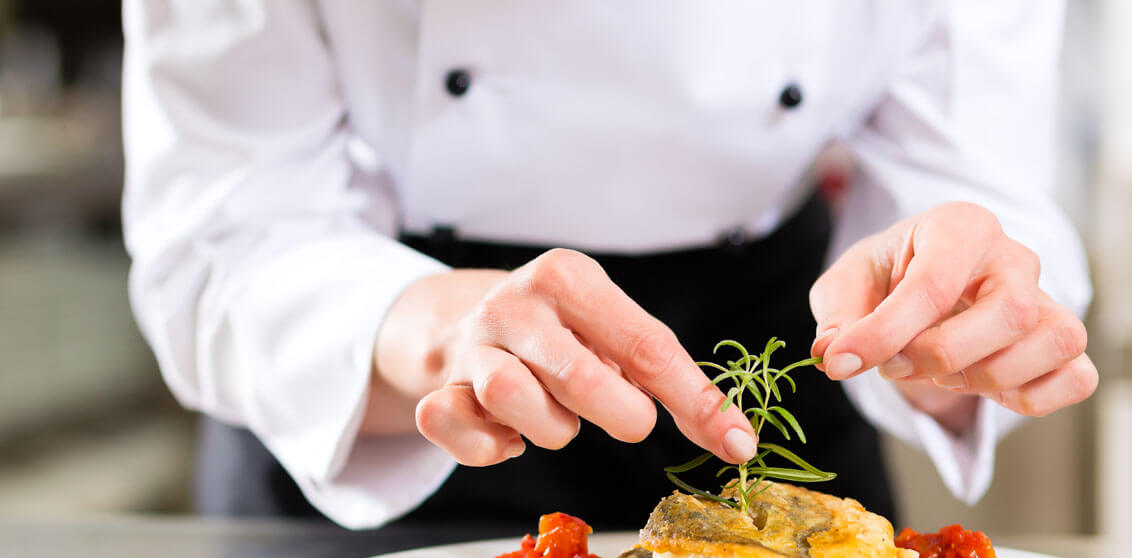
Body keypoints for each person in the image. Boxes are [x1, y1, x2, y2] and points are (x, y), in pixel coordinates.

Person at [121, 2, 1096, 531]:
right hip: (388, 388)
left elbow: (969, 165)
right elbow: (222, 229)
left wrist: (954, 316)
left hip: (771, 397)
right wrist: (434, 331)